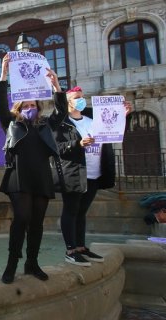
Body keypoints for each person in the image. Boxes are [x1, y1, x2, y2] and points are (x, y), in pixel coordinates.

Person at [0, 54, 66, 284]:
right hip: (19, 177)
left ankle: (32, 263)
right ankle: (11, 263)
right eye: (25, 105)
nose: (29, 108)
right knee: (22, 218)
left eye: (32, 105)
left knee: (36, 222)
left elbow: (61, 112)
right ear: (19, 107)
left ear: (38, 106)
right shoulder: (12, 123)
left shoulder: (45, 125)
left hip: (41, 178)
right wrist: (4, 74)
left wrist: (56, 85)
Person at [54, 86, 131, 266]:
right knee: (71, 211)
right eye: (77, 97)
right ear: (67, 103)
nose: (81, 100)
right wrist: (78, 143)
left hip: (95, 174)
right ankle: (70, 250)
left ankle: (81, 247)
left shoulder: (92, 120)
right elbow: (57, 148)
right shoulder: (62, 123)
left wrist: (123, 117)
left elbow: (114, 133)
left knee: (82, 213)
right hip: (74, 173)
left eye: (82, 97)